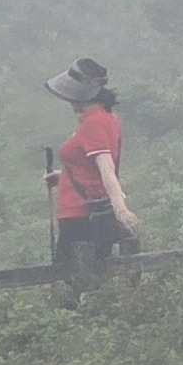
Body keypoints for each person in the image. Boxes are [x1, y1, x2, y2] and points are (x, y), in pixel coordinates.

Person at [47, 58, 143, 270]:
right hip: (79, 211)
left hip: (80, 215)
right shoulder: (102, 118)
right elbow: (90, 168)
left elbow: (106, 168)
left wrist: (121, 209)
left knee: (75, 278)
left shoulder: (95, 122)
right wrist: (62, 176)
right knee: (82, 277)